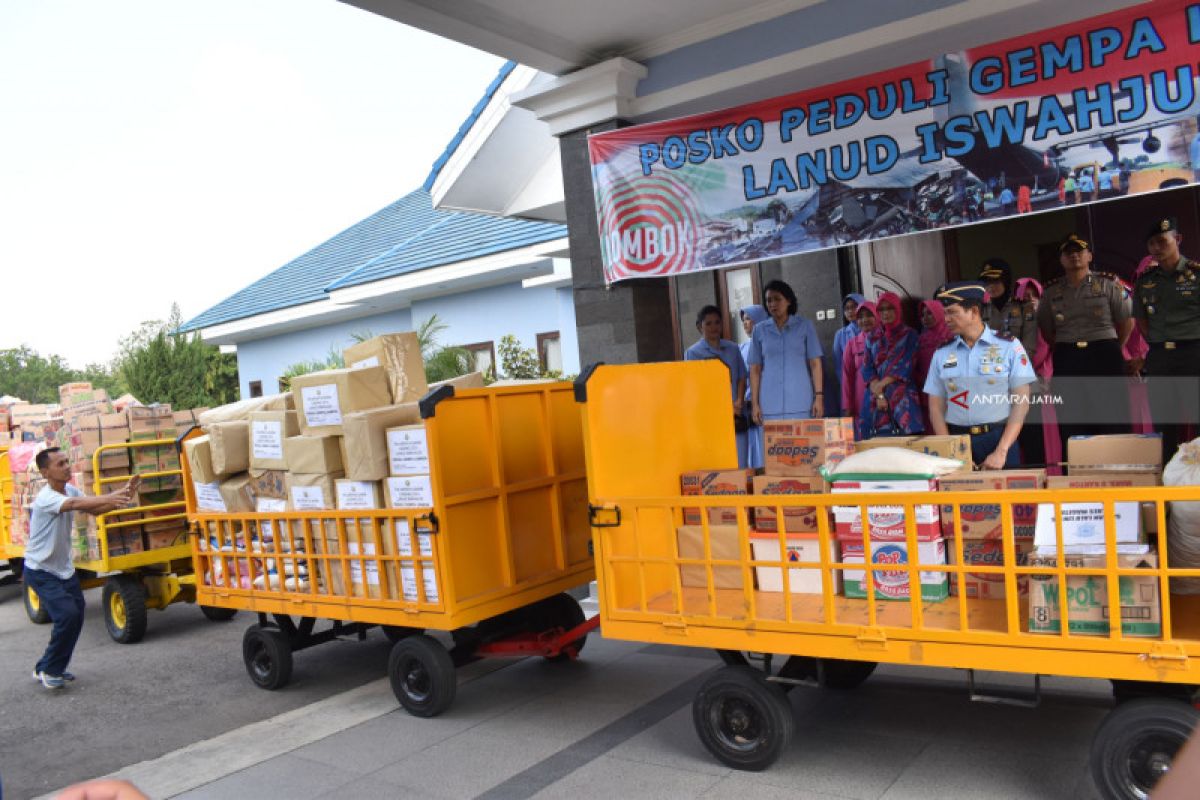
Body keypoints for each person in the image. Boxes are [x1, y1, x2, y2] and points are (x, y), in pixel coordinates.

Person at [25, 448, 137, 689]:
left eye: (67, 462)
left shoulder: (69, 490)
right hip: (41, 571)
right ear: (46, 472)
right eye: (60, 464)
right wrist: (112, 495)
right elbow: (75, 503)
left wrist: (123, 497)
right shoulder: (46, 498)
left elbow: (94, 509)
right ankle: (52, 670)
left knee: (75, 617)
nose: (67, 467)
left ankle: (45, 666)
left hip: (63, 569)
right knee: (67, 616)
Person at [1037, 233, 1132, 457]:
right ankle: (1078, 484)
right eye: (1068, 253)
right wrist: (1068, 347)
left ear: (1089, 255)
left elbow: (1127, 321)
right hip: (1068, 357)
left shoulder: (1108, 284)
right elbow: (1047, 329)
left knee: (1114, 418)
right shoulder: (1051, 292)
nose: (1074, 256)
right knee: (1073, 422)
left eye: (1079, 251)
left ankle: (1120, 480)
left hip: (1105, 355)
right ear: (1061, 260)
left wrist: (1113, 346)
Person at [924, 282, 1036, 468]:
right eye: (945, 313)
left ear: (974, 311)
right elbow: (935, 408)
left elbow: (1021, 403)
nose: (946, 319)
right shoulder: (942, 353)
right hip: (958, 441)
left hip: (999, 439)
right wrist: (951, 451)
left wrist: (1001, 451)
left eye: (952, 312)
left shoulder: (1009, 346)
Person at [1133, 216, 1200, 461]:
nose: (1157, 249)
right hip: (1161, 356)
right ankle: (1170, 485)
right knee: (1165, 424)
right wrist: (1161, 344)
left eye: (1162, 241)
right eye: (1151, 244)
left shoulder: (1196, 275)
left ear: (1177, 239)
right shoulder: (1145, 282)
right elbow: (1141, 322)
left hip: (1194, 353)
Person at [748, 280, 824, 432]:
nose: (772, 304)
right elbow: (755, 369)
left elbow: (815, 364)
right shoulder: (759, 330)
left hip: (801, 401)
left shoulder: (805, 325)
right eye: (769, 300)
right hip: (769, 404)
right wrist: (755, 403)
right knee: (773, 453)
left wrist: (819, 397)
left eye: (777, 299)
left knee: (801, 451)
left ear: (788, 300)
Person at [686, 305, 749, 467]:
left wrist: (739, 401)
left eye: (717, 322)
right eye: (708, 324)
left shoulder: (733, 348)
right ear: (700, 327)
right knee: (716, 463)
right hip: (710, 415)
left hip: (735, 414)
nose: (714, 327)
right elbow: (693, 386)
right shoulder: (692, 353)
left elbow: (742, 377)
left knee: (739, 460)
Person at [860, 292, 924, 437]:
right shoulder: (872, 336)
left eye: (890, 308)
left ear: (898, 309)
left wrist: (880, 386)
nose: (885, 313)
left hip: (902, 397)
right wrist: (879, 395)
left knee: (906, 449)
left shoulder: (910, 335)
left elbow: (906, 365)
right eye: (881, 309)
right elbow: (867, 367)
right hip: (875, 398)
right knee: (878, 447)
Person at [1014, 277, 1055, 466]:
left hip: (1041, 382)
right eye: (1025, 296)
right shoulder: (1017, 320)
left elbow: (1045, 348)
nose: (1030, 299)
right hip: (1019, 383)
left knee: (1041, 436)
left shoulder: (1046, 317)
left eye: (1034, 295)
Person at [981, 259, 1039, 359]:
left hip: (1016, 366)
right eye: (987, 282)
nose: (990, 286)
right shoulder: (980, 309)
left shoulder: (1024, 308)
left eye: (995, 281)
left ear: (1006, 281)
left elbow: (1029, 346)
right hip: (986, 366)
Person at [842, 302, 879, 440]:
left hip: (883, 396)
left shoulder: (886, 340)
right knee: (864, 438)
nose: (864, 320)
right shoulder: (852, 344)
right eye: (860, 317)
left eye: (869, 315)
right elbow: (847, 376)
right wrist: (847, 405)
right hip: (860, 398)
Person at [739, 305, 770, 468]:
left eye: (748, 319)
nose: (745, 324)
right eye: (743, 320)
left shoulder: (769, 344)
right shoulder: (742, 348)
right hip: (748, 405)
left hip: (767, 402)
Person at [915, 299, 951, 430]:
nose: (925, 318)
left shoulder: (951, 336)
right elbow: (914, 366)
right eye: (922, 315)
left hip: (950, 391)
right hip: (927, 391)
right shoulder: (920, 339)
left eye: (930, 313)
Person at [830, 293, 866, 416]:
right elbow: (839, 366)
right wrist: (849, 387)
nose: (850, 311)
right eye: (846, 308)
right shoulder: (841, 335)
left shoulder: (871, 330)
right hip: (850, 386)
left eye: (854, 306)